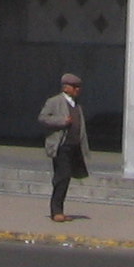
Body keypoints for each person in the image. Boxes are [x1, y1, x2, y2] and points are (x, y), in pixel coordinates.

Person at [37, 72, 89, 222]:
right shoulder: (54, 102)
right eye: (74, 86)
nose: (77, 89)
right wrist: (61, 121)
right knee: (62, 176)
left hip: (74, 147)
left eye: (78, 87)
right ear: (66, 87)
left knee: (66, 178)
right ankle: (56, 211)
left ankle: (59, 209)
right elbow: (43, 118)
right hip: (61, 146)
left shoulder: (77, 104)